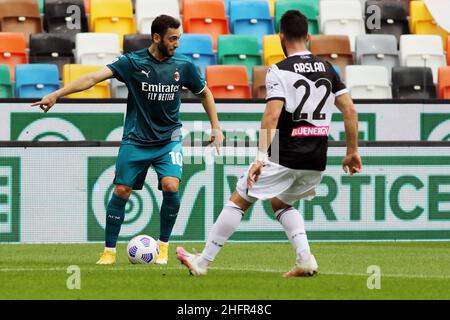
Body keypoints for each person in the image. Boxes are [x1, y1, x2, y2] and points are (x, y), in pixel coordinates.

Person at [176, 10, 362, 277]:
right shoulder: (328, 68)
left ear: (280, 37)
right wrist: (352, 152)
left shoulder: (279, 70)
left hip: (285, 154)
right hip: (316, 159)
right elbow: (350, 111)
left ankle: (202, 262)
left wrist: (261, 157)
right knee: (281, 203)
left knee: (239, 199)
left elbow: (271, 116)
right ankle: (305, 259)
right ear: (308, 36)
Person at [31, 15, 223, 265]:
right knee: (122, 190)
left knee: (171, 186)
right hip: (136, 139)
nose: (177, 44)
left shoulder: (183, 65)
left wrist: (216, 127)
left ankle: (163, 247)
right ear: (157, 38)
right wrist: (57, 94)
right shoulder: (132, 62)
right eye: (172, 39)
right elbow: (92, 78)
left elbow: (204, 93)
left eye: (179, 38)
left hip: (169, 139)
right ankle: (109, 251)